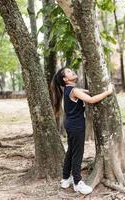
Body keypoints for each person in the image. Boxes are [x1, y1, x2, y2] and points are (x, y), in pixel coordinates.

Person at [50, 67, 113, 195]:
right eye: (68, 71)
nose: (71, 71)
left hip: (70, 125)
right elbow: (91, 100)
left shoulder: (69, 89)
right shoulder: (73, 90)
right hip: (76, 126)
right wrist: (108, 92)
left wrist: (91, 90)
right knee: (77, 153)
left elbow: (84, 92)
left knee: (71, 151)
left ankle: (65, 178)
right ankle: (78, 183)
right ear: (65, 79)